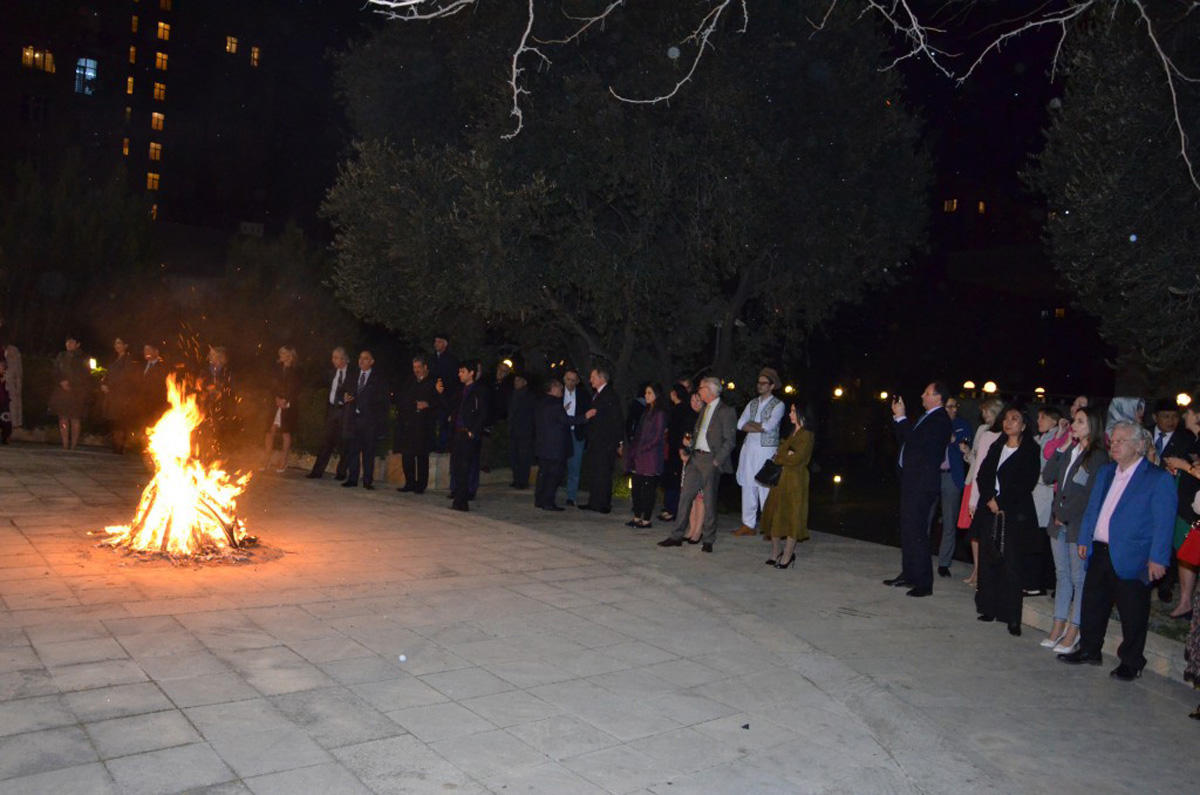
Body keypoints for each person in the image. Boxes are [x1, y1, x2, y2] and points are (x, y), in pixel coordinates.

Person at [1059, 421, 1176, 680]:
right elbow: (1093, 507)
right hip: (1100, 549)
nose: (1115, 444)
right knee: (1093, 603)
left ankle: (1132, 661)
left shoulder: (1157, 478)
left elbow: (1164, 522)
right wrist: (1084, 539)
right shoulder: (1106, 472)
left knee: (1132, 611)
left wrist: (1158, 557)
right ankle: (1090, 649)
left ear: (1139, 446)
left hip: (1133, 554)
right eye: (1114, 439)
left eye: (1122, 440)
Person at [1039, 406, 1108, 654]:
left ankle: (1074, 629)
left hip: (1076, 524)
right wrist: (1061, 447)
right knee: (1062, 575)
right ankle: (1058, 624)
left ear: (1092, 426)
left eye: (1080, 422)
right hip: (1058, 522)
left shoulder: (1097, 456)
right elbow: (1048, 476)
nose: (1074, 426)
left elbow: (1088, 494)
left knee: (1079, 579)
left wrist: (1063, 515)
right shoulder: (1071, 449)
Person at [972, 406, 1040, 636]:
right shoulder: (996, 446)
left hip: (1014, 514)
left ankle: (1011, 617)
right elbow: (983, 474)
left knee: (1011, 564)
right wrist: (990, 497)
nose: (1009, 422)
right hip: (990, 510)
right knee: (989, 559)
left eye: (1015, 419)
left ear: (1023, 425)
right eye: (1007, 419)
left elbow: (1025, 483)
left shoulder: (1030, 450)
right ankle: (988, 607)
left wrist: (1001, 502)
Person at [884, 382, 953, 597]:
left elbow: (915, 443)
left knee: (918, 532)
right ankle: (909, 574)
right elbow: (906, 441)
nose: (922, 395)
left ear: (937, 397)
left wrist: (902, 417)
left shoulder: (940, 419)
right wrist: (899, 419)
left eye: (927, 392)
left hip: (922, 484)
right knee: (908, 530)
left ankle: (924, 583)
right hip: (911, 481)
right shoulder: (927, 417)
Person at [657, 376, 737, 553]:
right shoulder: (704, 409)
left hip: (711, 459)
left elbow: (730, 441)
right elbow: (698, 432)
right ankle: (676, 536)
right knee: (685, 496)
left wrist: (717, 461)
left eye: (700, 388)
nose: (698, 391)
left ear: (709, 390)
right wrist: (688, 448)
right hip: (695, 458)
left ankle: (708, 539)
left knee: (709, 500)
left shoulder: (726, 411)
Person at [761, 402, 815, 568]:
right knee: (775, 514)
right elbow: (782, 454)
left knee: (793, 517)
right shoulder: (791, 433)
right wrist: (785, 455)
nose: (790, 414)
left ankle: (788, 555)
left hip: (795, 481)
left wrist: (783, 456)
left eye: (793, 411)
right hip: (780, 480)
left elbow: (796, 459)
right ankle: (776, 552)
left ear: (802, 414)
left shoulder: (807, 435)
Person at [734, 368, 785, 537]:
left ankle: (769, 526)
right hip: (749, 449)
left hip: (766, 451)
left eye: (763, 383)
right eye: (759, 382)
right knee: (748, 486)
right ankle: (748, 524)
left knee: (765, 487)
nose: (759, 386)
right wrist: (759, 425)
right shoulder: (752, 403)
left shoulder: (778, 405)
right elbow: (740, 424)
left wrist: (753, 425)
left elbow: (769, 427)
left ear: (771, 386)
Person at [958, 397, 1004, 586]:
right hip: (973, 482)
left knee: (982, 530)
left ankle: (981, 573)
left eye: (986, 411)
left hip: (985, 487)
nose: (983, 415)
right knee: (973, 531)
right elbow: (975, 461)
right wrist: (967, 452)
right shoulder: (981, 430)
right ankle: (976, 570)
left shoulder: (1001, 432)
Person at [1027, 405, 1070, 595]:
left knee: (1040, 538)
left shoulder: (1056, 437)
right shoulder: (1044, 437)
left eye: (1042, 418)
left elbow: (1046, 465)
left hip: (1044, 492)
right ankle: (1038, 581)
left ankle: (1037, 583)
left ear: (1053, 420)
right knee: (1038, 537)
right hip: (1038, 491)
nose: (1038, 422)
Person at [1164, 403, 1200, 620]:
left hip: (1194, 510)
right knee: (1185, 553)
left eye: (1187, 412)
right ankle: (1187, 601)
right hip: (1186, 504)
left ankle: (1188, 602)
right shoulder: (1193, 440)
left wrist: (1184, 465)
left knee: (1189, 552)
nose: (1184, 416)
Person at [934, 396, 973, 577]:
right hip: (933, 476)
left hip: (952, 476)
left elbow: (966, 447)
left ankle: (944, 563)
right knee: (926, 516)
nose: (953, 410)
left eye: (955, 406)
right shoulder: (933, 423)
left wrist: (954, 441)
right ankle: (921, 557)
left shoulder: (961, 424)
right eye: (949, 407)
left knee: (949, 521)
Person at [578, 365, 623, 514]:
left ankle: (603, 503)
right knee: (595, 471)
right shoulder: (597, 394)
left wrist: (618, 442)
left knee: (603, 472)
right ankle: (594, 501)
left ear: (601, 378)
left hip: (605, 442)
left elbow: (616, 420)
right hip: (596, 441)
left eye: (593, 377)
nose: (590, 380)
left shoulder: (609, 395)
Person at [394, 353, 439, 493]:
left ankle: (421, 485)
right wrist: (413, 405)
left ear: (425, 367)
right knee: (407, 455)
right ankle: (410, 482)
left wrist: (428, 404)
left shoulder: (433, 382)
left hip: (424, 425)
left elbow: (438, 402)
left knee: (421, 456)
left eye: (419, 367)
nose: (416, 370)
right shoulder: (410, 381)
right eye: (414, 367)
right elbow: (402, 399)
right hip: (409, 424)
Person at [343, 349, 388, 489]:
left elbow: (383, 400)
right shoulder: (352, 375)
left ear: (372, 362)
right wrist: (345, 396)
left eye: (366, 358)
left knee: (369, 452)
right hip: (353, 418)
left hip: (369, 421)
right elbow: (343, 390)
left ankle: (367, 481)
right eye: (360, 358)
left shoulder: (378, 378)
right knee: (353, 450)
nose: (361, 361)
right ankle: (352, 478)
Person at [444, 359, 486, 511]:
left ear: (471, 373)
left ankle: (463, 500)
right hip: (457, 433)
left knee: (464, 467)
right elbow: (453, 408)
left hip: (467, 435)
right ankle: (458, 500)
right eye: (459, 371)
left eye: (463, 371)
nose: (459, 374)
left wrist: (473, 431)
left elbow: (482, 414)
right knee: (457, 467)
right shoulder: (460, 391)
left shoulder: (478, 391)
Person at [307, 347, 353, 480]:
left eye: (336, 357)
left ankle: (341, 473)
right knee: (326, 442)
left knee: (344, 443)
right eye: (333, 357)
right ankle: (317, 472)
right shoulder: (331, 373)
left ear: (344, 358)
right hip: (332, 411)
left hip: (345, 412)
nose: (333, 360)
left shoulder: (352, 373)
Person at [626, 382, 667, 528]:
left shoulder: (660, 414)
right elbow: (639, 432)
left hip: (650, 456)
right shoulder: (646, 411)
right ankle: (637, 516)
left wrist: (644, 448)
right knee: (636, 486)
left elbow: (657, 437)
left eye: (649, 393)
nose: (646, 395)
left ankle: (646, 519)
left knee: (648, 488)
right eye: (646, 393)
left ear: (656, 395)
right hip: (639, 455)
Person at [534, 379, 573, 511]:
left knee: (543, 474)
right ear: (553, 389)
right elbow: (565, 420)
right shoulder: (556, 404)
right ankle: (548, 501)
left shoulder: (541, 402)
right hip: (555, 446)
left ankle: (539, 499)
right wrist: (585, 417)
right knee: (553, 475)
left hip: (543, 444)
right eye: (559, 388)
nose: (561, 390)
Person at [660, 383, 696, 522]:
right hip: (674, 448)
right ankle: (670, 507)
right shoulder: (678, 409)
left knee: (674, 480)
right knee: (672, 479)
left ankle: (672, 509)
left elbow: (676, 430)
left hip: (676, 449)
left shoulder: (679, 409)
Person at [262, 345, 301, 472]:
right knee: (270, 431)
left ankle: (283, 461)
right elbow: (271, 385)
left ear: (290, 354)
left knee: (286, 432)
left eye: (284, 353)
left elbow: (295, 388)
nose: (281, 355)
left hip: (288, 405)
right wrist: (276, 398)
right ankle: (266, 460)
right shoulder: (277, 368)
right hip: (275, 404)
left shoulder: (296, 370)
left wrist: (286, 400)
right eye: (280, 353)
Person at [50, 335, 90, 450]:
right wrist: (61, 381)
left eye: (72, 342)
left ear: (77, 344)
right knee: (63, 417)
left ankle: (73, 445)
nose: (69, 344)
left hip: (77, 391)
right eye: (67, 342)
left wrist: (73, 384)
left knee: (75, 418)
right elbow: (55, 371)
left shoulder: (83, 357)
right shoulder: (61, 356)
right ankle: (65, 444)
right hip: (62, 390)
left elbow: (86, 375)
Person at [99, 337, 139, 454]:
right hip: (111, 395)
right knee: (113, 421)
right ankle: (116, 445)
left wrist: (111, 386)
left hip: (121, 395)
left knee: (120, 421)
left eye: (120, 343)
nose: (117, 345)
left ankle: (120, 446)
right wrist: (103, 384)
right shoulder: (114, 359)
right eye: (115, 343)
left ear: (125, 345)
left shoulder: (128, 360)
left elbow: (125, 377)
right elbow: (107, 375)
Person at [561, 368, 590, 506]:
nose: (571, 383)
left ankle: (571, 497)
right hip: (561, 433)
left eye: (573, 380)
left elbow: (587, 416)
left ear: (577, 381)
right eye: (568, 379)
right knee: (558, 464)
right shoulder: (558, 393)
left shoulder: (583, 395)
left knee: (575, 466)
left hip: (576, 433)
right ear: (564, 379)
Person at [430, 333, 459, 453]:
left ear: (445, 344)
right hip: (432, 396)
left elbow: (452, 379)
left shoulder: (451, 359)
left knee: (443, 423)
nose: (436, 344)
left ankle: (442, 446)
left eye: (439, 341)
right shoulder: (431, 358)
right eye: (435, 341)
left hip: (445, 397)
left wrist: (443, 389)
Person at [507, 373, 535, 489]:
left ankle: (523, 481)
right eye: (515, 380)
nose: (516, 382)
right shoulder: (514, 394)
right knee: (514, 456)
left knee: (524, 457)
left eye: (518, 380)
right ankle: (516, 478)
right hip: (514, 430)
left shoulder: (529, 396)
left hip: (525, 431)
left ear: (524, 382)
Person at [0, 359, 12, 443]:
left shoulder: (6, 377)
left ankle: (5, 437)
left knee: (6, 421)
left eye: (3, 366)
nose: (3, 368)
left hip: (4, 402)